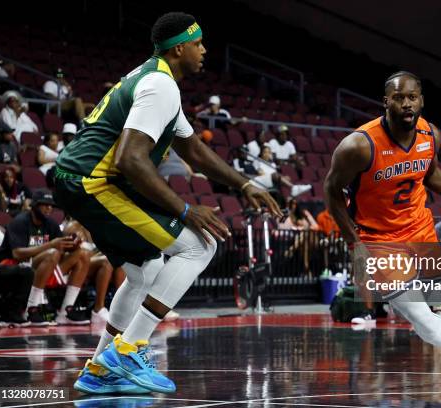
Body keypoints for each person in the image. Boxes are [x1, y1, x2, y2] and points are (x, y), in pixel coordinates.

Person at [54, 12, 281, 395]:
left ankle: (99, 369)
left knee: (145, 270)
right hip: (92, 182)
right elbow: (130, 158)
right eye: (198, 43)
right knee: (200, 244)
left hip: (80, 179)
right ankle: (128, 349)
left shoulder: (154, 77)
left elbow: (193, 150)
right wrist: (186, 210)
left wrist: (244, 183)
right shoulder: (161, 85)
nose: (204, 50)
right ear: (180, 48)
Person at [324, 71, 441, 391]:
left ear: (421, 101)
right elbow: (331, 191)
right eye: (399, 97)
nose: (406, 103)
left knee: (431, 304)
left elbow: (431, 175)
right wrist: (356, 245)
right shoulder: (358, 146)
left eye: (412, 97)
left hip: (419, 227)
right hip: (379, 239)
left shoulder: (431, 135)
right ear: (386, 102)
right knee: (420, 317)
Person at [0, 190, 91, 326]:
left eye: (51, 205)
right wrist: (50, 245)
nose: (49, 208)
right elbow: (17, 254)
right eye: (45, 205)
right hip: (16, 267)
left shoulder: (51, 224)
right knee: (51, 252)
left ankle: (65, 311)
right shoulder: (20, 222)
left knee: (83, 254)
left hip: (46, 266)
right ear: (34, 205)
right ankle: (31, 308)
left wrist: (73, 245)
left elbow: (60, 247)